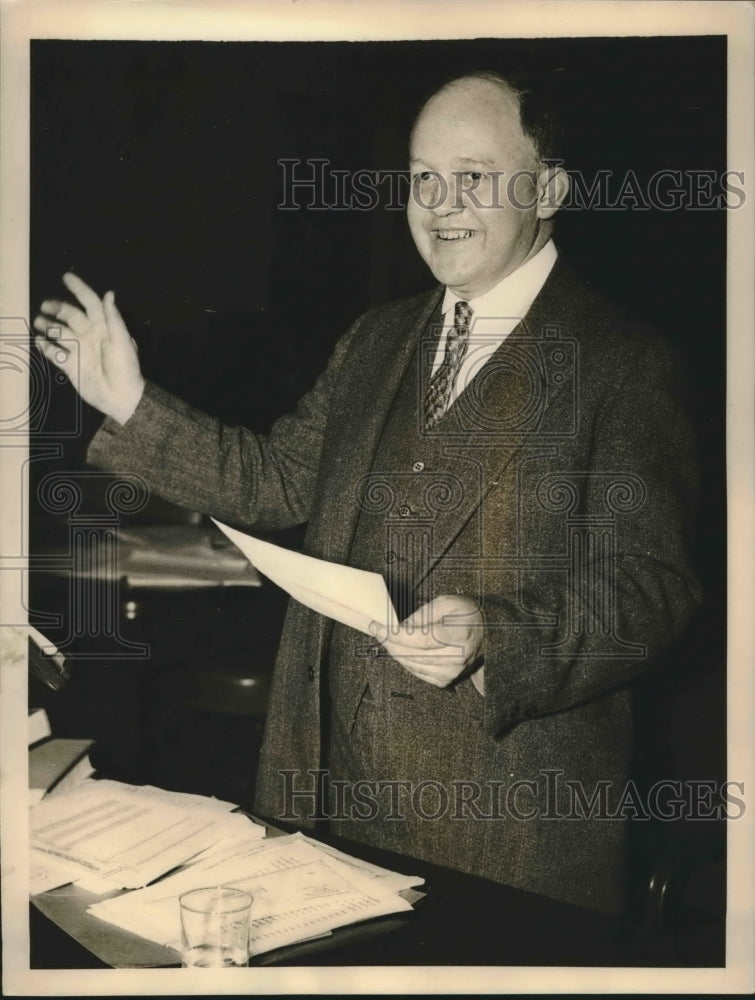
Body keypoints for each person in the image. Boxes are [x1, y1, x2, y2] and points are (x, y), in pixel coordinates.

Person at [34, 71, 700, 914]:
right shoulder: (378, 338)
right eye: (423, 177)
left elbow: (650, 590)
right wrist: (130, 402)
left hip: (498, 833)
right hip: (321, 794)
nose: (440, 202)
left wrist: (500, 635)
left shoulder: (623, 364)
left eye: (473, 175)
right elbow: (272, 480)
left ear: (550, 188)